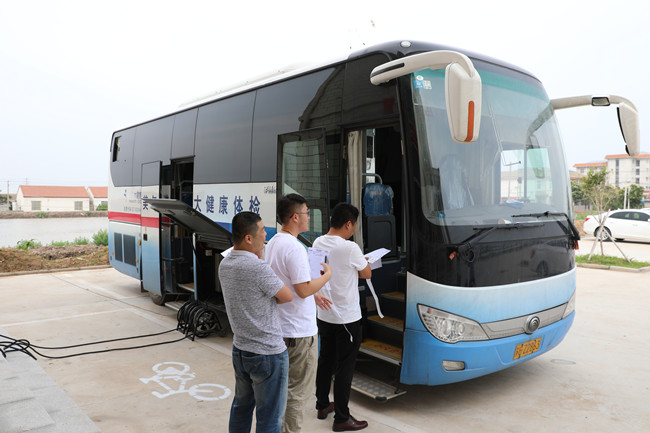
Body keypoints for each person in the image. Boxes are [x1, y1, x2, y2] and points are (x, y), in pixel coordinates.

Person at [219, 211, 293, 433]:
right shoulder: (258, 268)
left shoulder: (225, 264)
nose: (266, 235)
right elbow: (286, 296)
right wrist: (260, 259)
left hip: (241, 349)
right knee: (269, 416)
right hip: (267, 353)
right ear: (248, 238)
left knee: (241, 407)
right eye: (262, 231)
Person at [265, 193, 333, 433]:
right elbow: (303, 289)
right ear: (295, 217)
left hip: (281, 328)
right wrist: (326, 276)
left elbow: (286, 283)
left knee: (282, 390)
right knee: (297, 393)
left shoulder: (274, 242)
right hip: (299, 332)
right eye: (306, 213)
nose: (308, 218)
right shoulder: (294, 247)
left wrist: (315, 295)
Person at [313, 203, 370, 431]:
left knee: (325, 360)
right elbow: (367, 273)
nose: (353, 230)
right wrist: (363, 261)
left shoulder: (317, 242)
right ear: (348, 224)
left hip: (324, 314)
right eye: (354, 225)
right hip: (346, 317)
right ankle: (341, 418)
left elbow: (314, 273)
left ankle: (322, 405)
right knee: (345, 367)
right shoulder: (350, 247)